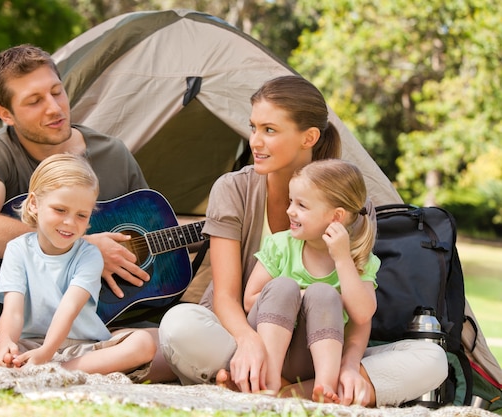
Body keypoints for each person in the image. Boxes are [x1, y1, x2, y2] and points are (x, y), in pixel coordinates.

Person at [158, 75, 448, 406]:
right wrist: (248, 342)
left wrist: (351, 366)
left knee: (432, 358)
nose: (255, 141)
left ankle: (274, 392)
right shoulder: (233, 189)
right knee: (179, 325)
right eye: (253, 127)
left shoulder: (350, 203)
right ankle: (312, 393)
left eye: (269, 130)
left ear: (308, 137)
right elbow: (226, 296)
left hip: (322, 347)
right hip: (242, 336)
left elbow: (359, 315)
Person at [0, 44, 174, 380]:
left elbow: (150, 227)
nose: (54, 108)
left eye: (57, 92)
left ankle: (49, 365)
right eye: (34, 102)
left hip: (94, 321)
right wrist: (83, 244)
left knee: (172, 343)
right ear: (6, 114)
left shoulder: (113, 154)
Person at [0, 154, 155, 377]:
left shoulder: (89, 255)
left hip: (82, 348)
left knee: (143, 343)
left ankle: (56, 371)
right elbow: (13, 310)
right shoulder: (17, 249)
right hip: (29, 345)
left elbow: (68, 309)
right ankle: (33, 367)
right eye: (60, 210)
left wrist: (46, 354)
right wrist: (6, 344)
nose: (70, 222)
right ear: (34, 204)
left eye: (82, 215)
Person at [241, 159, 379, 402]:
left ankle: (324, 387)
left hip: (312, 359)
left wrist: (343, 259)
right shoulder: (281, 245)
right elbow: (250, 301)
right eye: (290, 201)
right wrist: (300, 297)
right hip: (269, 346)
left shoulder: (357, 259)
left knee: (324, 294)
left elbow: (363, 315)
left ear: (336, 216)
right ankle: (269, 381)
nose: (289, 211)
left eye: (301, 205)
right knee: (284, 287)